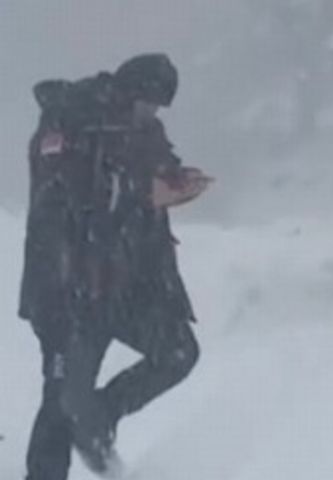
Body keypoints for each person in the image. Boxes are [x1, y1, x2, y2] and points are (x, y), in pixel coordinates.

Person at [21, 53, 209, 479]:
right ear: (128, 89)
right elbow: (63, 197)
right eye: (148, 103)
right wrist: (143, 191)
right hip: (68, 288)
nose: (152, 113)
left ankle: (101, 415)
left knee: (178, 351)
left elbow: (157, 168)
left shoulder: (145, 128)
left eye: (158, 107)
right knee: (61, 396)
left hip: (130, 285)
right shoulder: (68, 120)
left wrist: (179, 181)